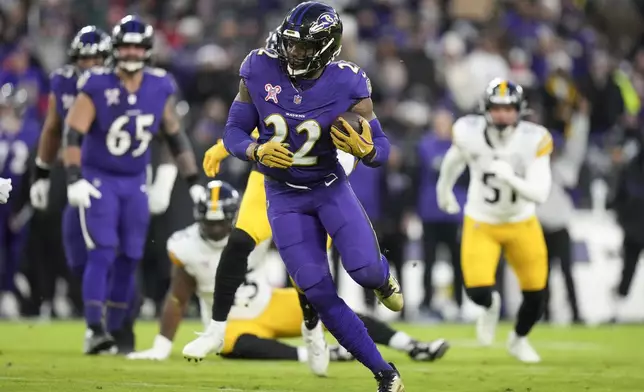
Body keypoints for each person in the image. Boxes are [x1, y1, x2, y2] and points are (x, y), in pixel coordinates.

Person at [184, 3, 405, 390]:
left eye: (303, 48)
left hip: (328, 188)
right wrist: (254, 151)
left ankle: (383, 278)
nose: (293, 54)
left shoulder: (349, 81)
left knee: (365, 271)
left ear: (325, 49)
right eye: (290, 44)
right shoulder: (258, 67)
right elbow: (235, 130)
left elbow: (382, 146)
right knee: (318, 292)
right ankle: (384, 373)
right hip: (283, 195)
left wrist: (368, 152)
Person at [127, 180, 449, 366]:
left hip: (269, 303)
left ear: (234, 215)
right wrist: (161, 346)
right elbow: (177, 299)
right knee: (228, 343)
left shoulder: (252, 229)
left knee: (333, 309)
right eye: (209, 222)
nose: (215, 228)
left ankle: (411, 345)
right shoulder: (186, 246)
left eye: (221, 220)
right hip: (232, 321)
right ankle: (311, 355)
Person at [62, 15, 204, 355]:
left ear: (147, 50)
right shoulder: (97, 83)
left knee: (130, 256)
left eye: (136, 46)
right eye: (124, 45)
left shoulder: (159, 85)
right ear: (115, 48)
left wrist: (191, 181)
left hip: (136, 180)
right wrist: (73, 178)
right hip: (100, 178)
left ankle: (113, 331)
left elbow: (175, 136)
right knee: (103, 250)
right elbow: (73, 133)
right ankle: (94, 328)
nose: (129, 51)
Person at [436, 79, 552, 363]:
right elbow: (454, 159)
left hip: (521, 220)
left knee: (537, 294)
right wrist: (444, 189)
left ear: (519, 110)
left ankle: (518, 339)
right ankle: (490, 306)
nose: (503, 114)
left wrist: (510, 176)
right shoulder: (468, 131)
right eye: (497, 108)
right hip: (482, 221)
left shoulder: (534, 138)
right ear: (486, 109)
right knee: (476, 291)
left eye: (509, 108)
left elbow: (540, 193)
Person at [0, 83, 37, 311]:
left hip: (19, 201)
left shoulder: (31, 132)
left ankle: (10, 292)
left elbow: (36, 173)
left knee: (16, 250)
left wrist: (24, 209)